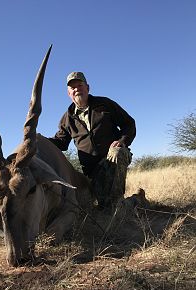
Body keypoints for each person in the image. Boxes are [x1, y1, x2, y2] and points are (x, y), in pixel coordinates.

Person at [48, 72, 136, 211]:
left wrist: (122, 141)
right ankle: (135, 200)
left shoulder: (105, 104)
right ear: (68, 93)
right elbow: (61, 142)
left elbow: (129, 123)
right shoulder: (66, 119)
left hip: (113, 160)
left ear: (87, 87)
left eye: (80, 85)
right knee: (88, 205)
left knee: (117, 153)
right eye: (73, 87)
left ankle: (118, 204)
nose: (77, 89)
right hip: (91, 171)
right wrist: (39, 139)